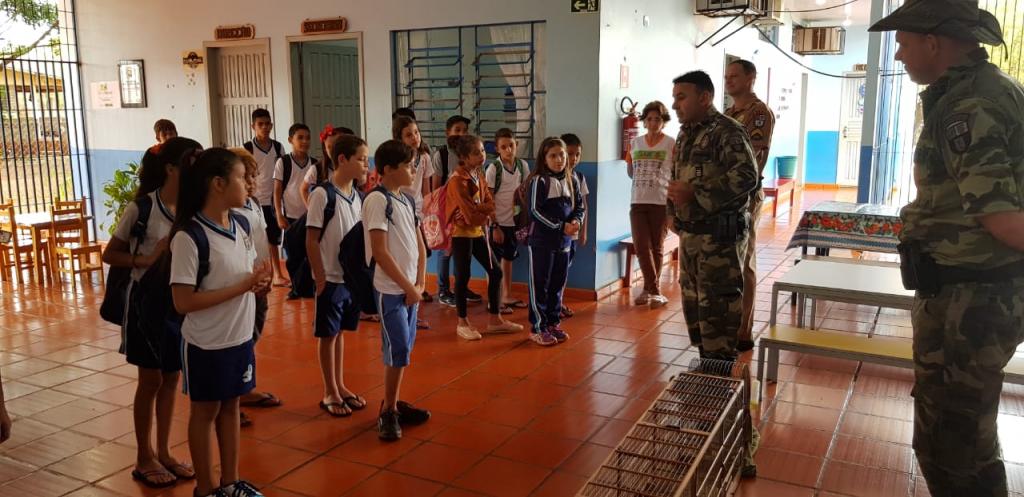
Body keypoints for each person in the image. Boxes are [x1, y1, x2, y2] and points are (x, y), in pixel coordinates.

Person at [869, 3, 1023, 495]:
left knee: (953, 449)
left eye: (904, 43)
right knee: (961, 435)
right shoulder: (988, 91)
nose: (899, 54)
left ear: (933, 42)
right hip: (971, 294)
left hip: (970, 300)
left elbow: (1002, 218)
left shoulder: (969, 106)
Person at [666, 71, 759, 476]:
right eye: (674, 97)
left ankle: (740, 443)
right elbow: (677, 180)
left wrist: (696, 195)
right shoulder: (687, 134)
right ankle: (708, 433)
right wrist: (673, 211)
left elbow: (747, 178)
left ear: (704, 97)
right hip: (692, 247)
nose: (675, 104)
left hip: (718, 250)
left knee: (721, 349)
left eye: (682, 96)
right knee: (704, 344)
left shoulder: (727, 132)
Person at [170, 148, 272, 497]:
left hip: (239, 337)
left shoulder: (240, 224)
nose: (248, 184)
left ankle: (230, 483)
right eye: (241, 178)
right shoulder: (189, 237)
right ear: (217, 184)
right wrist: (242, 287)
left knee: (231, 406)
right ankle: (206, 487)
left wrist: (258, 283)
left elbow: (243, 273)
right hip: (206, 343)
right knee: (205, 412)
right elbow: (183, 302)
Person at [102, 138, 200, 488]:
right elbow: (110, 254)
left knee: (171, 376)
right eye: (192, 161)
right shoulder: (142, 208)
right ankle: (144, 456)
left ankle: (164, 451)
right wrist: (146, 259)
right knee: (150, 380)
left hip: (176, 303)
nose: (198, 168)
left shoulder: (192, 207)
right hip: (145, 303)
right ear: (171, 168)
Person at [364, 140, 431, 440]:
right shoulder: (377, 200)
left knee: (404, 349)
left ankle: (393, 402)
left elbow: (420, 246)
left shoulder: (404, 199)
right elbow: (380, 252)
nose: (413, 170)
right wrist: (407, 286)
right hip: (391, 289)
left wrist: (420, 283)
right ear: (389, 169)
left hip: (410, 290)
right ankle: (388, 411)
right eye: (408, 166)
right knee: (398, 348)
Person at [306, 135, 369, 417]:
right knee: (328, 335)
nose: (366, 165)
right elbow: (311, 239)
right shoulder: (323, 194)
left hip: (349, 280)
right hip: (330, 279)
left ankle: (340, 384)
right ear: (342, 159)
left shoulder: (358, 196)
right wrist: (320, 277)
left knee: (340, 332)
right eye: (361, 159)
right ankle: (329, 391)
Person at [446, 134, 523, 340]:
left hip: (478, 231)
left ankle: (495, 320)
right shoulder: (457, 180)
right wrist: (482, 210)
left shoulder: (478, 173)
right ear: (464, 157)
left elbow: (490, 203)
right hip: (461, 234)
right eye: (476, 153)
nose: (481, 155)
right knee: (463, 277)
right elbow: (470, 216)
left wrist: (480, 209)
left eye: (482, 150)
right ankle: (462, 322)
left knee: (496, 272)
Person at [724, 59, 776, 352]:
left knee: (744, 261)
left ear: (750, 78)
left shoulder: (759, 114)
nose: (728, 80)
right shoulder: (728, 114)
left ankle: (744, 329)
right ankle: (728, 324)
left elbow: (754, 157)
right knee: (728, 261)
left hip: (745, 196)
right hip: (724, 197)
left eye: (734, 76)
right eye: (726, 76)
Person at [230, 148, 282, 424]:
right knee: (238, 340)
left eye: (254, 176)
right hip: (242, 284)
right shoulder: (228, 210)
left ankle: (244, 388)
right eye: (245, 176)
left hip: (259, 282)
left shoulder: (253, 204)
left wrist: (269, 274)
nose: (251, 182)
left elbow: (262, 242)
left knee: (252, 335)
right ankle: (231, 399)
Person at [526, 137, 584, 346]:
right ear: (544, 158)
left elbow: (579, 207)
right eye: (553, 156)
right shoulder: (539, 181)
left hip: (564, 242)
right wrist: (560, 226)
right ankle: (538, 327)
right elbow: (534, 211)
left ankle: (553, 323)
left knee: (557, 284)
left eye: (562, 155)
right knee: (540, 284)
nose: (559, 159)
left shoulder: (572, 179)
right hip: (542, 242)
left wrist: (576, 221)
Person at [625, 101, 676, 308]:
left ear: (663, 122)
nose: (653, 123)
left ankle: (649, 290)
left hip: (661, 201)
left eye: (658, 119)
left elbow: (676, 171)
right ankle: (655, 291)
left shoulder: (671, 143)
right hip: (638, 200)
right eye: (650, 119)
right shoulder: (635, 143)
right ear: (644, 122)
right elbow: (630, 170)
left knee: (656, 247)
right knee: (641, 245)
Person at [430, 115, 481, 306]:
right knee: (446, 251)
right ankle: (443, 290)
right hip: (447, 210)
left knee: (463, 252)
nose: (461, 134)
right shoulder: (441, 155)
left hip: (465, 211)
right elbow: (436, 187)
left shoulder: (468, 154)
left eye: (464, 130)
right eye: (457, 130)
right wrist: (443, 214)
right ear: (447, 132)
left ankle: (462, 287)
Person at [393, 116, 437, 306]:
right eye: (408, 135)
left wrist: (428, 211)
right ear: (400, 138)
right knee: (405, 249)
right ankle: (406, 285)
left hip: (418, 210)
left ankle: (420, 284)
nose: (414, 137)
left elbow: (426, 189)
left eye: (416, 132)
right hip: (401, 209)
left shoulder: (425, 157)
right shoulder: (399, 159)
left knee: (421, 251)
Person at [243, 108, 289, 288]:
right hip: (254, 201)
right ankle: (256, 273)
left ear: (271, 125)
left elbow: (283, 172)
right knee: (256, 238)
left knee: (273, 239)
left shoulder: (278, 147)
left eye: (267, 124)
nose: (264, 127)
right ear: (253, 126)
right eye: (260, 124)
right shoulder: (247, 148)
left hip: (273, 201)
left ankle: (277, 274)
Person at [485, 128, 529, 312]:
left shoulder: (523, 166)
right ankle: (493, 300)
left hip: (514, 223)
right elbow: (487, 198)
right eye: (503, 147)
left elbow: (524, 193)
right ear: (497, 149)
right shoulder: (494, 169)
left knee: (508, 259)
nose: (508, 150)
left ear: (516, 145)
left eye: (511, 145)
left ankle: (507, 295)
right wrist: (494, 225)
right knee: (493, 264)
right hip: (497, 223)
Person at [273, 123, 318, 298]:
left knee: (310, 254)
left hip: (310, 217)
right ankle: (296, 288)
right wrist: (279, 214)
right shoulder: (283, 162)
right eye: (300, 138)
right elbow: (277, 191)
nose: (305, 141)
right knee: (293, 256)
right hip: (291, 217)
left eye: (307, 138)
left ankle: (308, 287)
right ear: (290, 140)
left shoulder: (315, 164)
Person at [559, 133, 590, 318]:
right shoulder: (555, 177)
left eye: (577, 154)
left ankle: (559, 302)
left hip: (574, 232)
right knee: (555, 271)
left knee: (565, 269)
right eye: (570, 154)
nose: (574, 158)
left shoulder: (579, 177)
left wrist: (584, 231)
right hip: (559, 232)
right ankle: (552, 304)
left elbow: (583, 206)